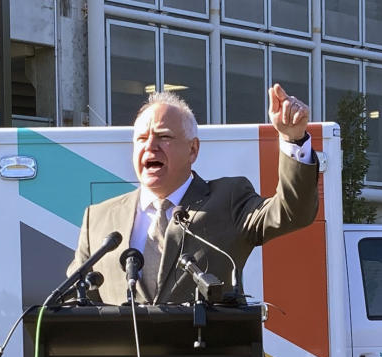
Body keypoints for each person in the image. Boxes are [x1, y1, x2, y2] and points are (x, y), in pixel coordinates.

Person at [67, 83, 318, 306]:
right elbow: (75, 302)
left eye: (164, 137)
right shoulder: (98, 219)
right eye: (141, 139)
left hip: (207, 355)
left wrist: (293, 139)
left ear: (193, 150)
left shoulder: (227, 199)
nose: (150, 146)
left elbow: (291, 212)